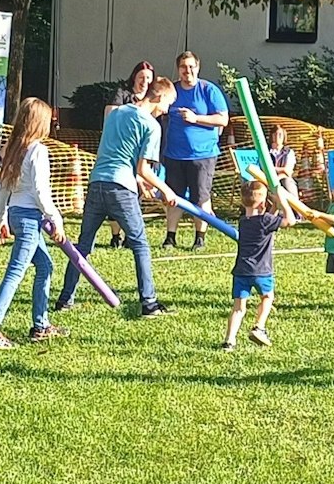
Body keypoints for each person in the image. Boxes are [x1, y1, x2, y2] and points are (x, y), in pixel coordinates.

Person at [57, 76, 178, 318]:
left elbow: (117, 152)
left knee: (83, 246)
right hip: (121, 187)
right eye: (168, 104)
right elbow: (143, 168)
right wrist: (166, 189)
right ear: (160, 97)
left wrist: (140, 181)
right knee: (140, 244)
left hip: (97, 182)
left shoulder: (117, 113)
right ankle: (149, 303)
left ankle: (65, 299)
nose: (167, 111)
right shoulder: (151, 126)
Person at [0, 97, 64, 348]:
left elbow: (3, 186)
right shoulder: (38, 150)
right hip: (28, 218)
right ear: (40, 123)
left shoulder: (14, 147)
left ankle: (41, 325)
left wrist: (1, 218)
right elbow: (40, 191)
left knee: (45, 267)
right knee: (15, 273)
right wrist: (55, 219)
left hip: (18, 214)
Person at [161, 51, 229, 251]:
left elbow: (222, 119)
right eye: (183, 67)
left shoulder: (209, 90)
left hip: (203, 155)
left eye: (191, 67)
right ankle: (170, 237)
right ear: (178, 69)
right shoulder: (171, 90)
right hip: (173, 154)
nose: (187, 71)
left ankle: (199, 238)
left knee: (200, 197)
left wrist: (196, 118)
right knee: (173, 196)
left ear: (198, 68)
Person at [221, 178, 293, 349]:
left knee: (238, 308)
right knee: (268, 297)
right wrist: (282, 201)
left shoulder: (243, 222)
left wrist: (273, 208)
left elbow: (268, 221)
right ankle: (259, 327)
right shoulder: (265, 221)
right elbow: (290, 221)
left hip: (241, 271)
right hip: (262, 271)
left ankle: (229, 341)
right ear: (263, 204)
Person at [101, 60, 156, 249]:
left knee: (135, 197)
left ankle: (129, 236)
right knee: (117, 196)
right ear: (134, 76)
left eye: (148, 78)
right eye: (141, 77)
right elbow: (110, 119)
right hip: (120, 153)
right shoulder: (121, 94)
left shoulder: (152, 101)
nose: (144, 82)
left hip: (140, 153)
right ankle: (115, 235)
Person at [268, 123, 299, 198]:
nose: (277, 137)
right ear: (271, 136)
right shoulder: (266, 151)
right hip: (267, 179)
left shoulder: (289, 152)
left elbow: (287, 171)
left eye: (280, 134)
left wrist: (273, 170)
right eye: (275, 134)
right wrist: (281, 170)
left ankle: (295, 207)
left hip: (283, 178)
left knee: (287, 182)